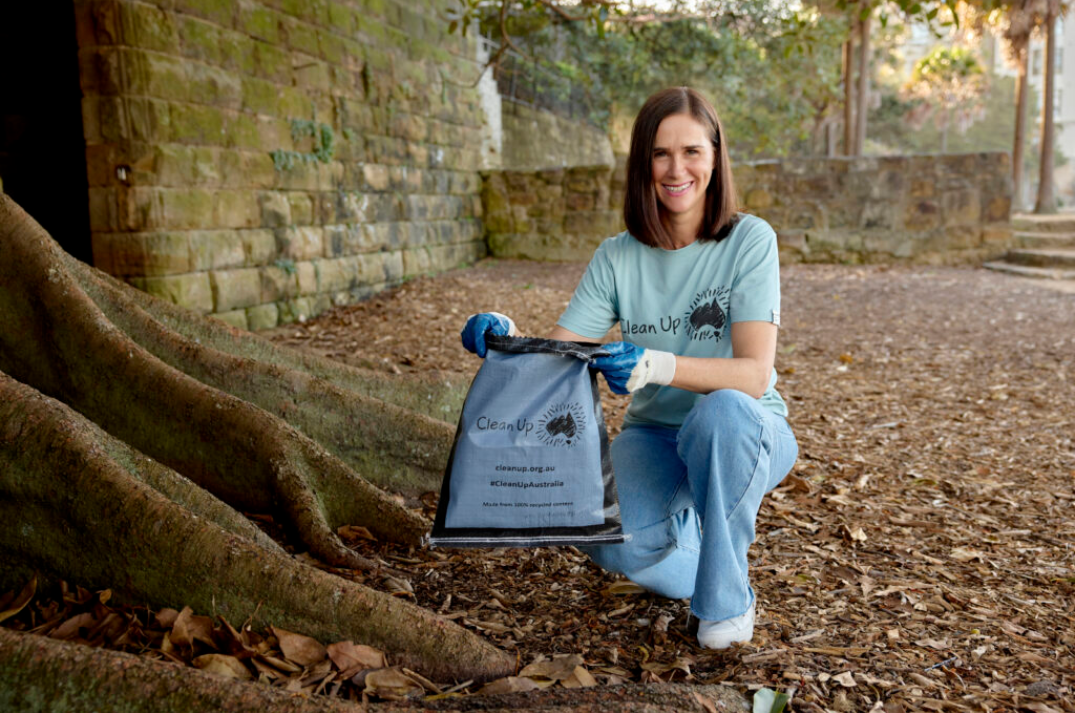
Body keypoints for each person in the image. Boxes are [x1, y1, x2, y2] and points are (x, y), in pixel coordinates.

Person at [460, 87, 798, 649]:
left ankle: (726, 602)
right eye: (660, 154)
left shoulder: (749, 240)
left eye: (691, 151)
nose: (675, 169)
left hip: (746, 428)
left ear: (715, 156)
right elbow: (559, 353)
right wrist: (505, 335)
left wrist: (657, 364)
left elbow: (754, 375)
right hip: (656, 434)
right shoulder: (617, 255)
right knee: (607, 536)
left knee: (723, 415)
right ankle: (710, 558)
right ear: (643, 162)